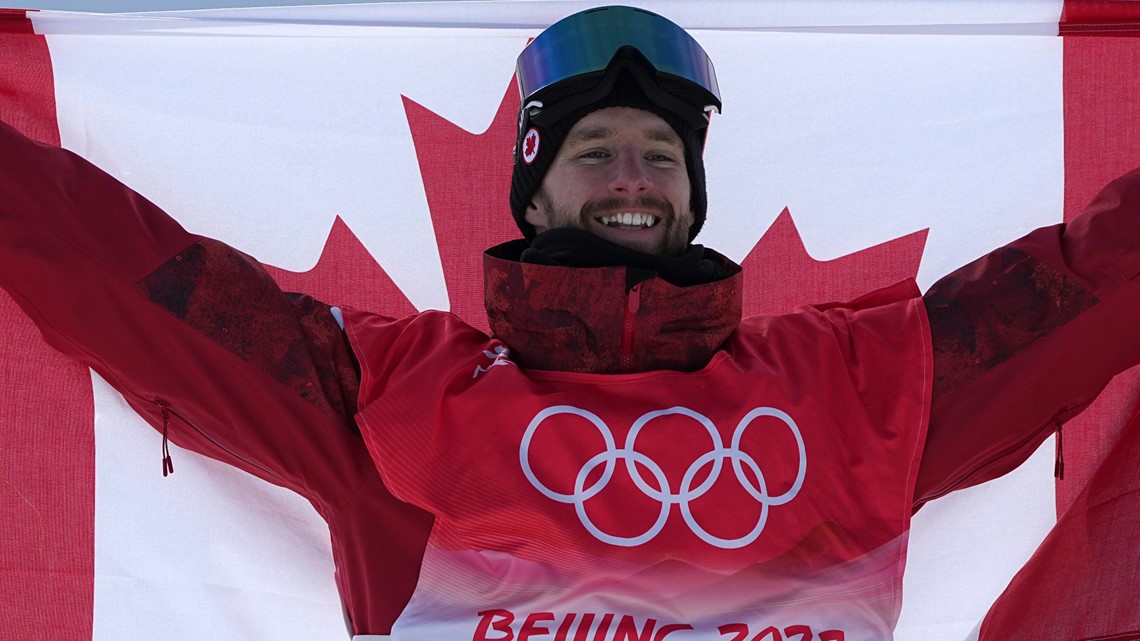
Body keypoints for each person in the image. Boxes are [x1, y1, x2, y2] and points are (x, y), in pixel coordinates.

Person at [1, 5, 1138, 640]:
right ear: (532, 193)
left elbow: (1092, 285)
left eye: (661, 154)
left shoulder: (854, 387)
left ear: (693, 193)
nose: (632, 175)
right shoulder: (397, 398)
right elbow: (136, 285)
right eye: (595, 150)